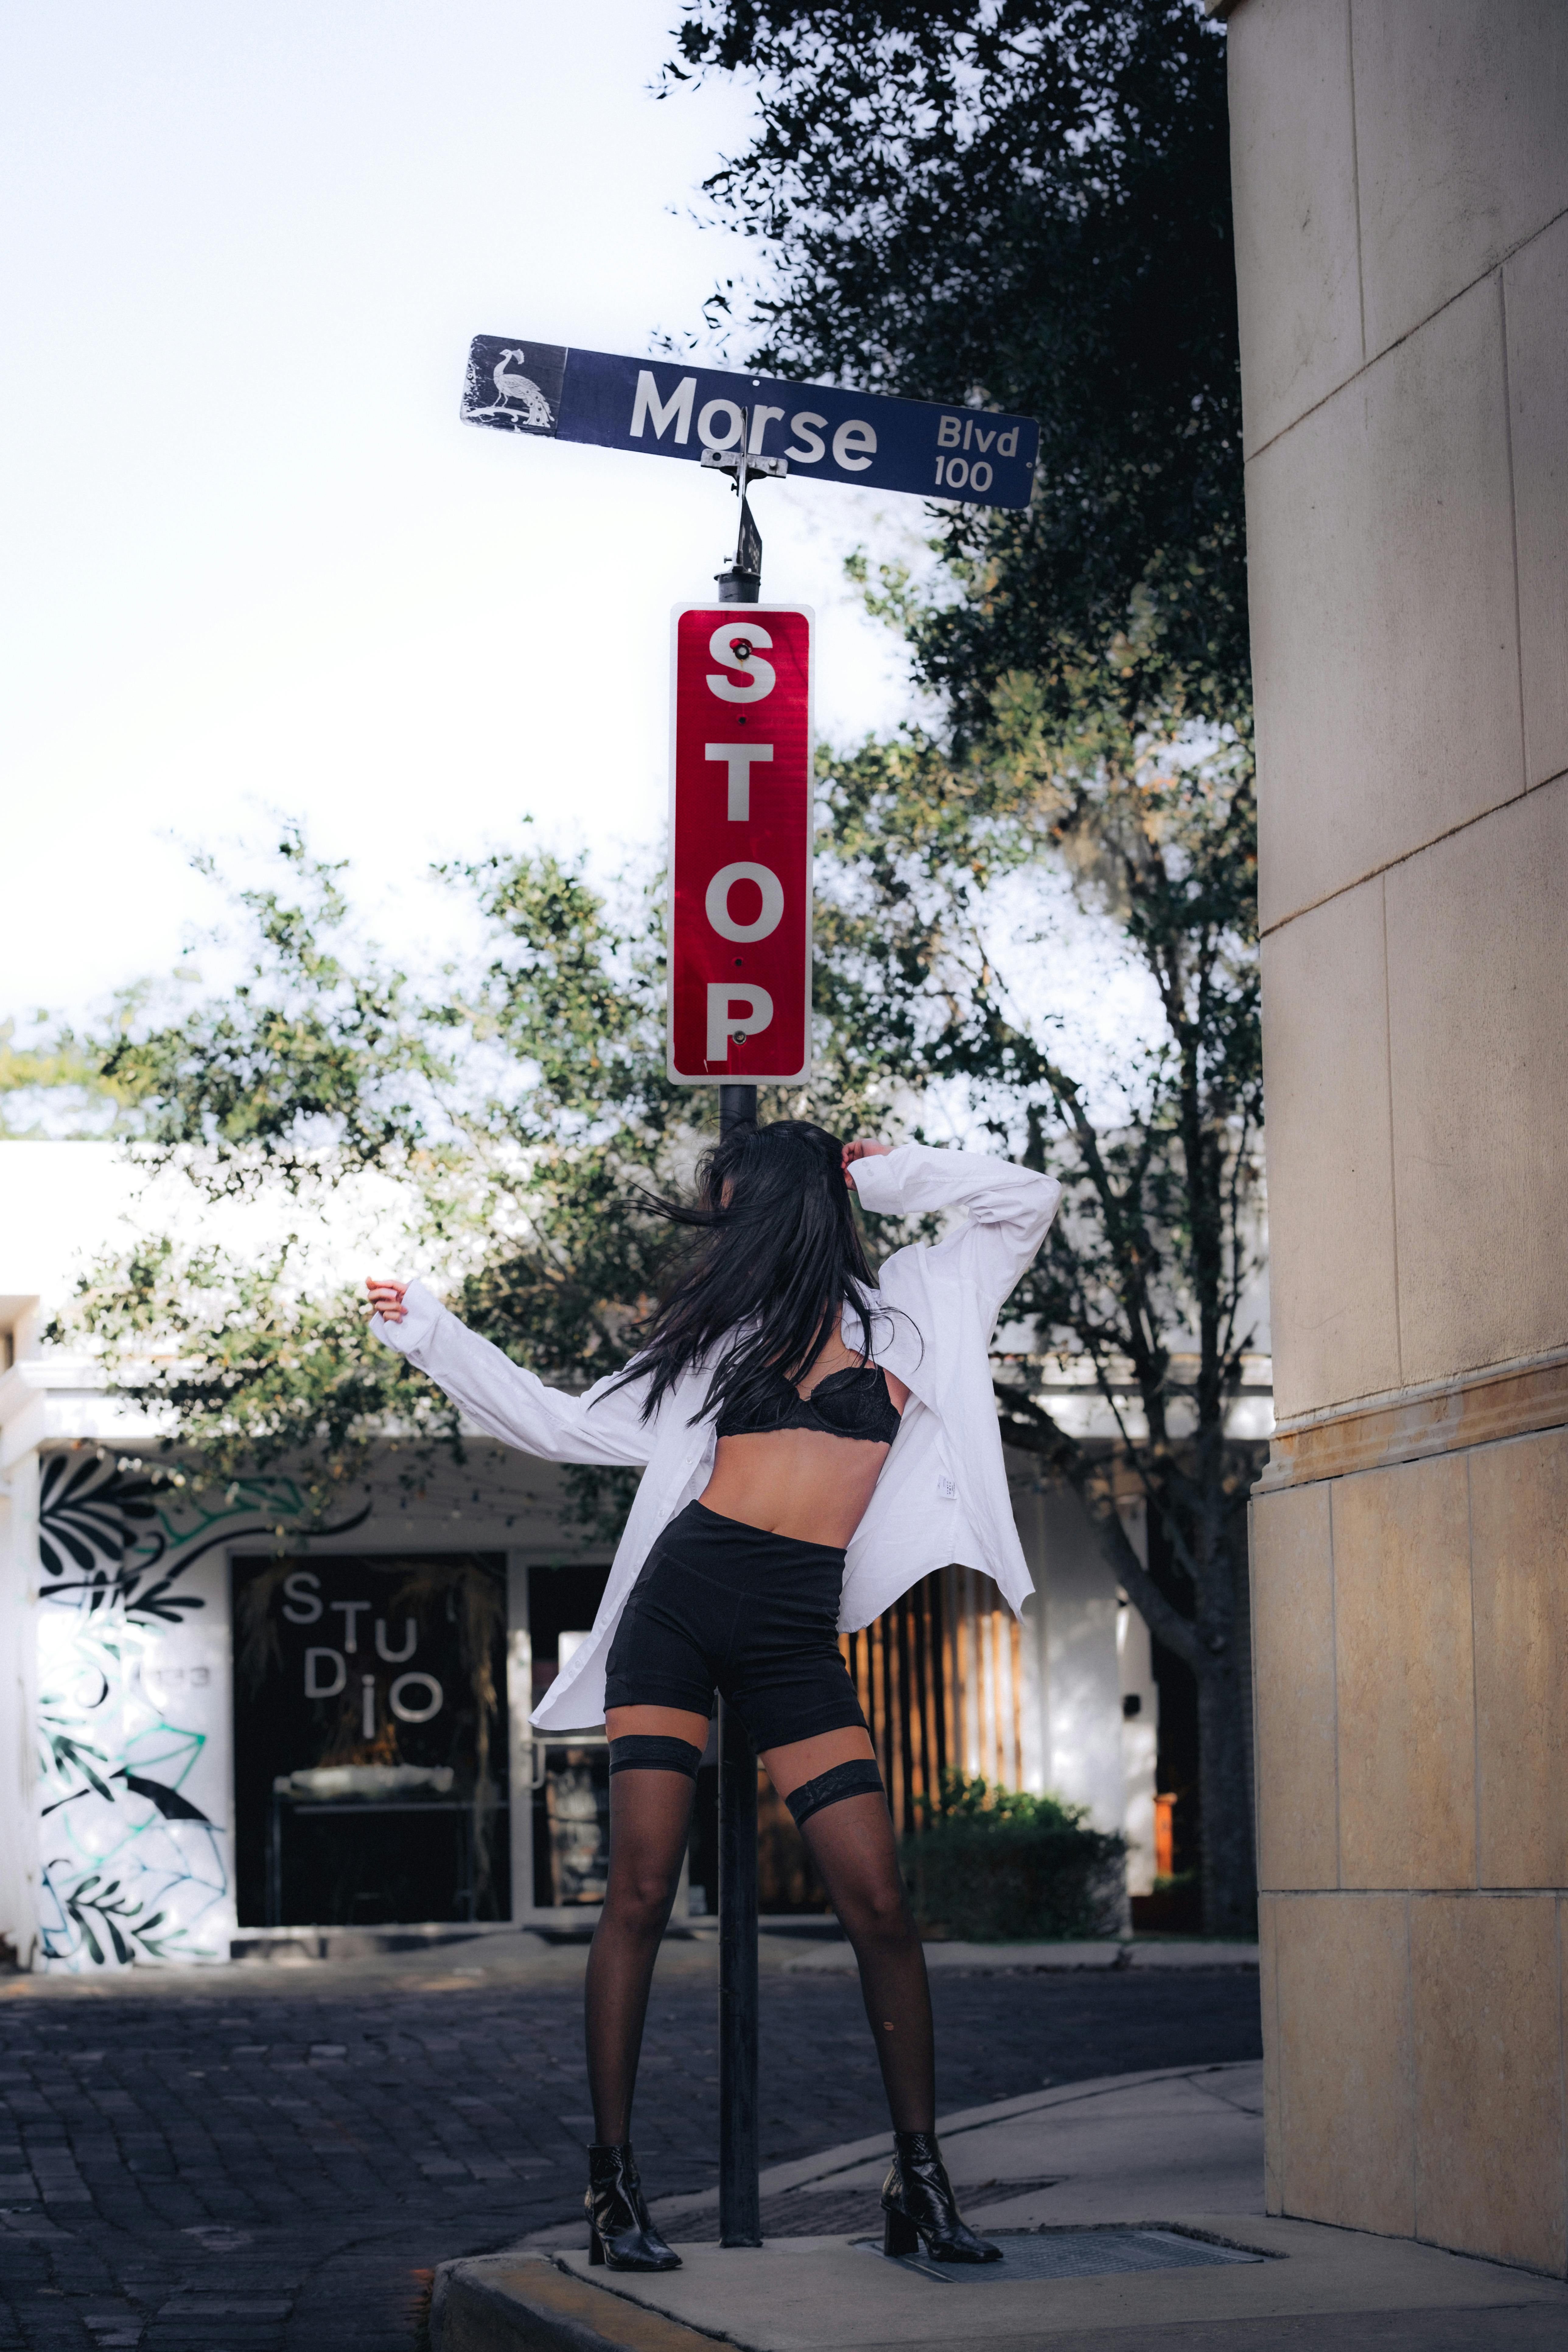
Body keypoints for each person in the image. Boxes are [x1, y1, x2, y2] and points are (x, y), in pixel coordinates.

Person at [366, 1122, 1059, 2270]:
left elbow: (1023, 1200)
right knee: (640, 1891)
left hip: (793, 1635)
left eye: (741, 1203)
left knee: (878, 1902)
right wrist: (432, 1333)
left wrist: (885, 1174)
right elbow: (557, 1422)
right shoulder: (714, 1349)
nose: (728, 1224)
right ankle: (614, 2191)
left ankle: (921, 2183)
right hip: (678, 1616)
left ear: (797, 1202)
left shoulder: (922, 1307)